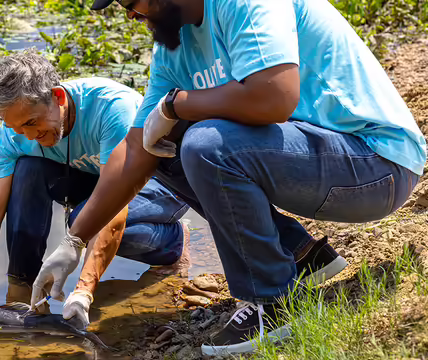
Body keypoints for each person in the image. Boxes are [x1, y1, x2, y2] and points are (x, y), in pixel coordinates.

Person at [30, 0, 427, 356]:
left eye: (131, 2)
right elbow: (136, 150)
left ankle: (271, 303)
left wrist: (177, 103)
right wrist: (74, 240)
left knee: (204, 143)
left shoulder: (243, 3)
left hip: (377, 166)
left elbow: (275, 96)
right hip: (319, 162)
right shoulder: (174, 49)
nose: (131, 15)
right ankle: (298, 255)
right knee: (164, 149)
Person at [0, 50, 191, 328]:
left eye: (33, 122)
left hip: (160, 182)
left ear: (57, 97)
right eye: (17, 128)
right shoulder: (15, 132)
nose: (30, 136)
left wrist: (83, 291)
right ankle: (21, 285)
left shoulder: (112, 108)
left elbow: (113, 212)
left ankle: (172, 241)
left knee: (82, 221)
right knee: (28, 170)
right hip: (97, 179)